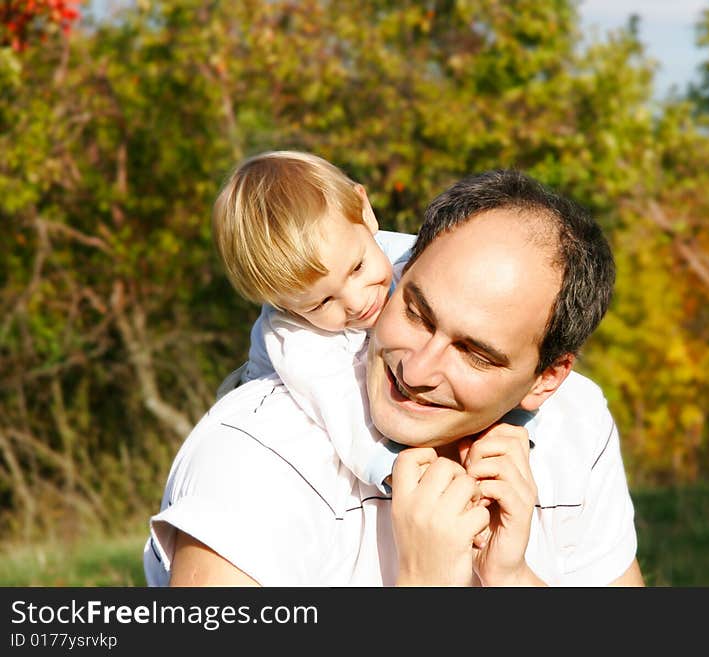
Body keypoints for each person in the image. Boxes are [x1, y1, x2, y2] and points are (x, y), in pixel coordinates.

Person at [144, 168, 644, 586]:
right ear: (412, 269)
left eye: (474, 353)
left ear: (546, 380)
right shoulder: (258, 459)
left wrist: (513, 579)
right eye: (417, 313)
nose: (416, 369)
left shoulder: (575, 423)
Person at [209, 150, 414, 492]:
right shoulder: (294, 337)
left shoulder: (411, 256)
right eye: (323, 302)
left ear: (364, 212)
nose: (356, 302)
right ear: (283, 305)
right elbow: (341, 408)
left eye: (357, 268)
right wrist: (395, 467)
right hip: (283, 404)